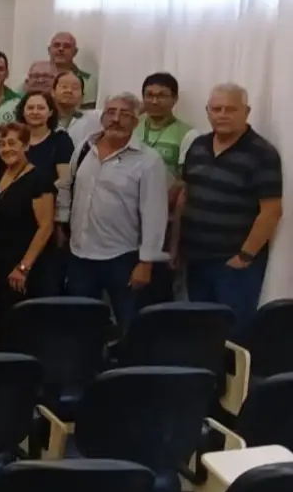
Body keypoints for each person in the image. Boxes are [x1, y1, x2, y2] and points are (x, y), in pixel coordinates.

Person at [175, 83, 283, 339]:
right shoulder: (198, 146)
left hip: (233, 264)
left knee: (234, 335)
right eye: (216, 109)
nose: (222, 115)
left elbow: (271, 211)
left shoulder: (262, 153)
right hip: (196, 258)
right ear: (207, 111)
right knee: (200, 330)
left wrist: (245, 256)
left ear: (246, 112)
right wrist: (176, 245)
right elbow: (185, 196)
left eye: (230, 109)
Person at [58, 93, 168, 334]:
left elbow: (155, 214)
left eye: (125, 114)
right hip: (80, 255)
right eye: (111, 112)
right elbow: (67, 185)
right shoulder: (85, 147)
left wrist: (146, 262)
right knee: (81, 326)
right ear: (102, 117)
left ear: (136, 121)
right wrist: (62, 223)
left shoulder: (148, 161)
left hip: (123, 258)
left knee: (130, 326)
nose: (116, 119)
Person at [0, 123, 57, 347]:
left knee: (18, 328)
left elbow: (46, 226)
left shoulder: (39, 178)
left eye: (12, 143)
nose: (6, 149)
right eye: (1, 144)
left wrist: (23, 267)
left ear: (25, 145)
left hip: (22, 266)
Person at [136, 72, 198, 185]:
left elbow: (184, 179)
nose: (155, 101)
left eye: (162, 96)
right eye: (149, 95)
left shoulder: (188, 134)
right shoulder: (132, 125)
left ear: (175, 98)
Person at [18, 90, 74, 191]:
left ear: (50, 112)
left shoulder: (60, 140)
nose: (35, 112)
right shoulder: (15, 139)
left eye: (41, 108)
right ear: (23, 112)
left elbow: (64, 181)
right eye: (30, 108)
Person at [48, 31, 96, 109]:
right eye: (56, 45)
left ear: (75, 52)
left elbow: (87, 112)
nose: (61, 49)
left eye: (67, 46)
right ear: (49, 50)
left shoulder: (88, 80)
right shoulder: (37, 77)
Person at [53, 70, 96, 140]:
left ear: (82, 96)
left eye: (75, 88)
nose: (69, 91)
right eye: (64, 86)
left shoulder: (92, 120)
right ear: (53, 92)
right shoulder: (43, 117)